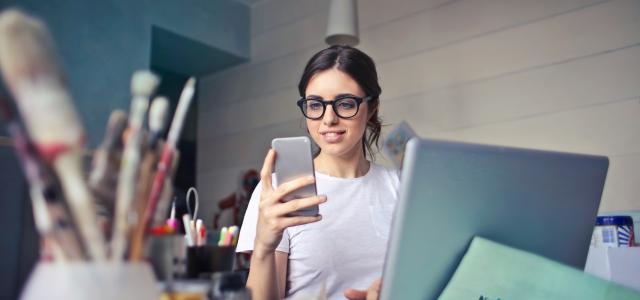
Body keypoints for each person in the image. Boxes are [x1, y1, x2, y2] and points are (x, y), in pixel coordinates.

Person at [236, 45, 400, 300]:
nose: (328, 119)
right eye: (315, 105)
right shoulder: (280, 192)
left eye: (345, 104)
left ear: (372, 107)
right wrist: (263, 248)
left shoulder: (401, 186)